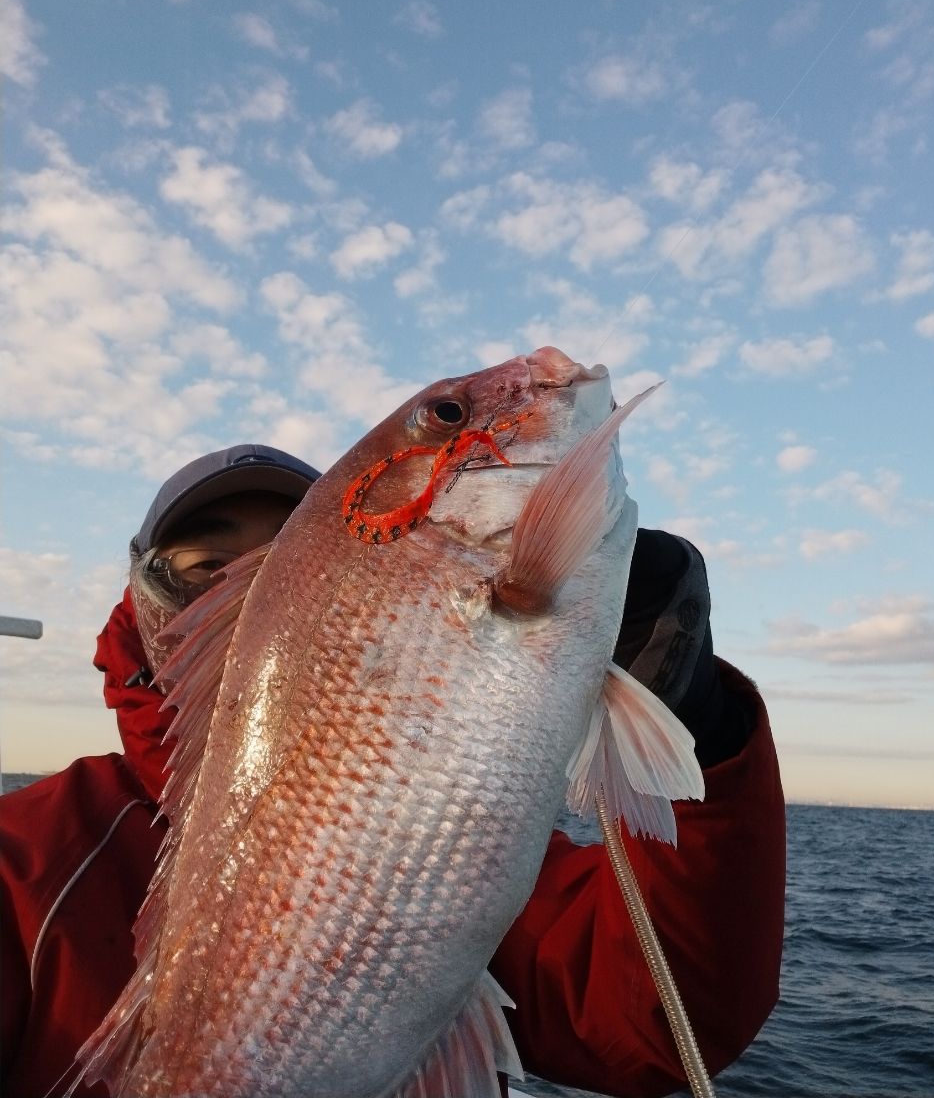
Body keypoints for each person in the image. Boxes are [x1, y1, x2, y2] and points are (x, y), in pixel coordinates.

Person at [1, 443, 785, 1098]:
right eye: (207, 566)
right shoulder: (25, 857)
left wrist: (700, 725)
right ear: (141, 596)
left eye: (281, 566)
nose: (245, 592)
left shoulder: (443, 826)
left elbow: (653, 1021)